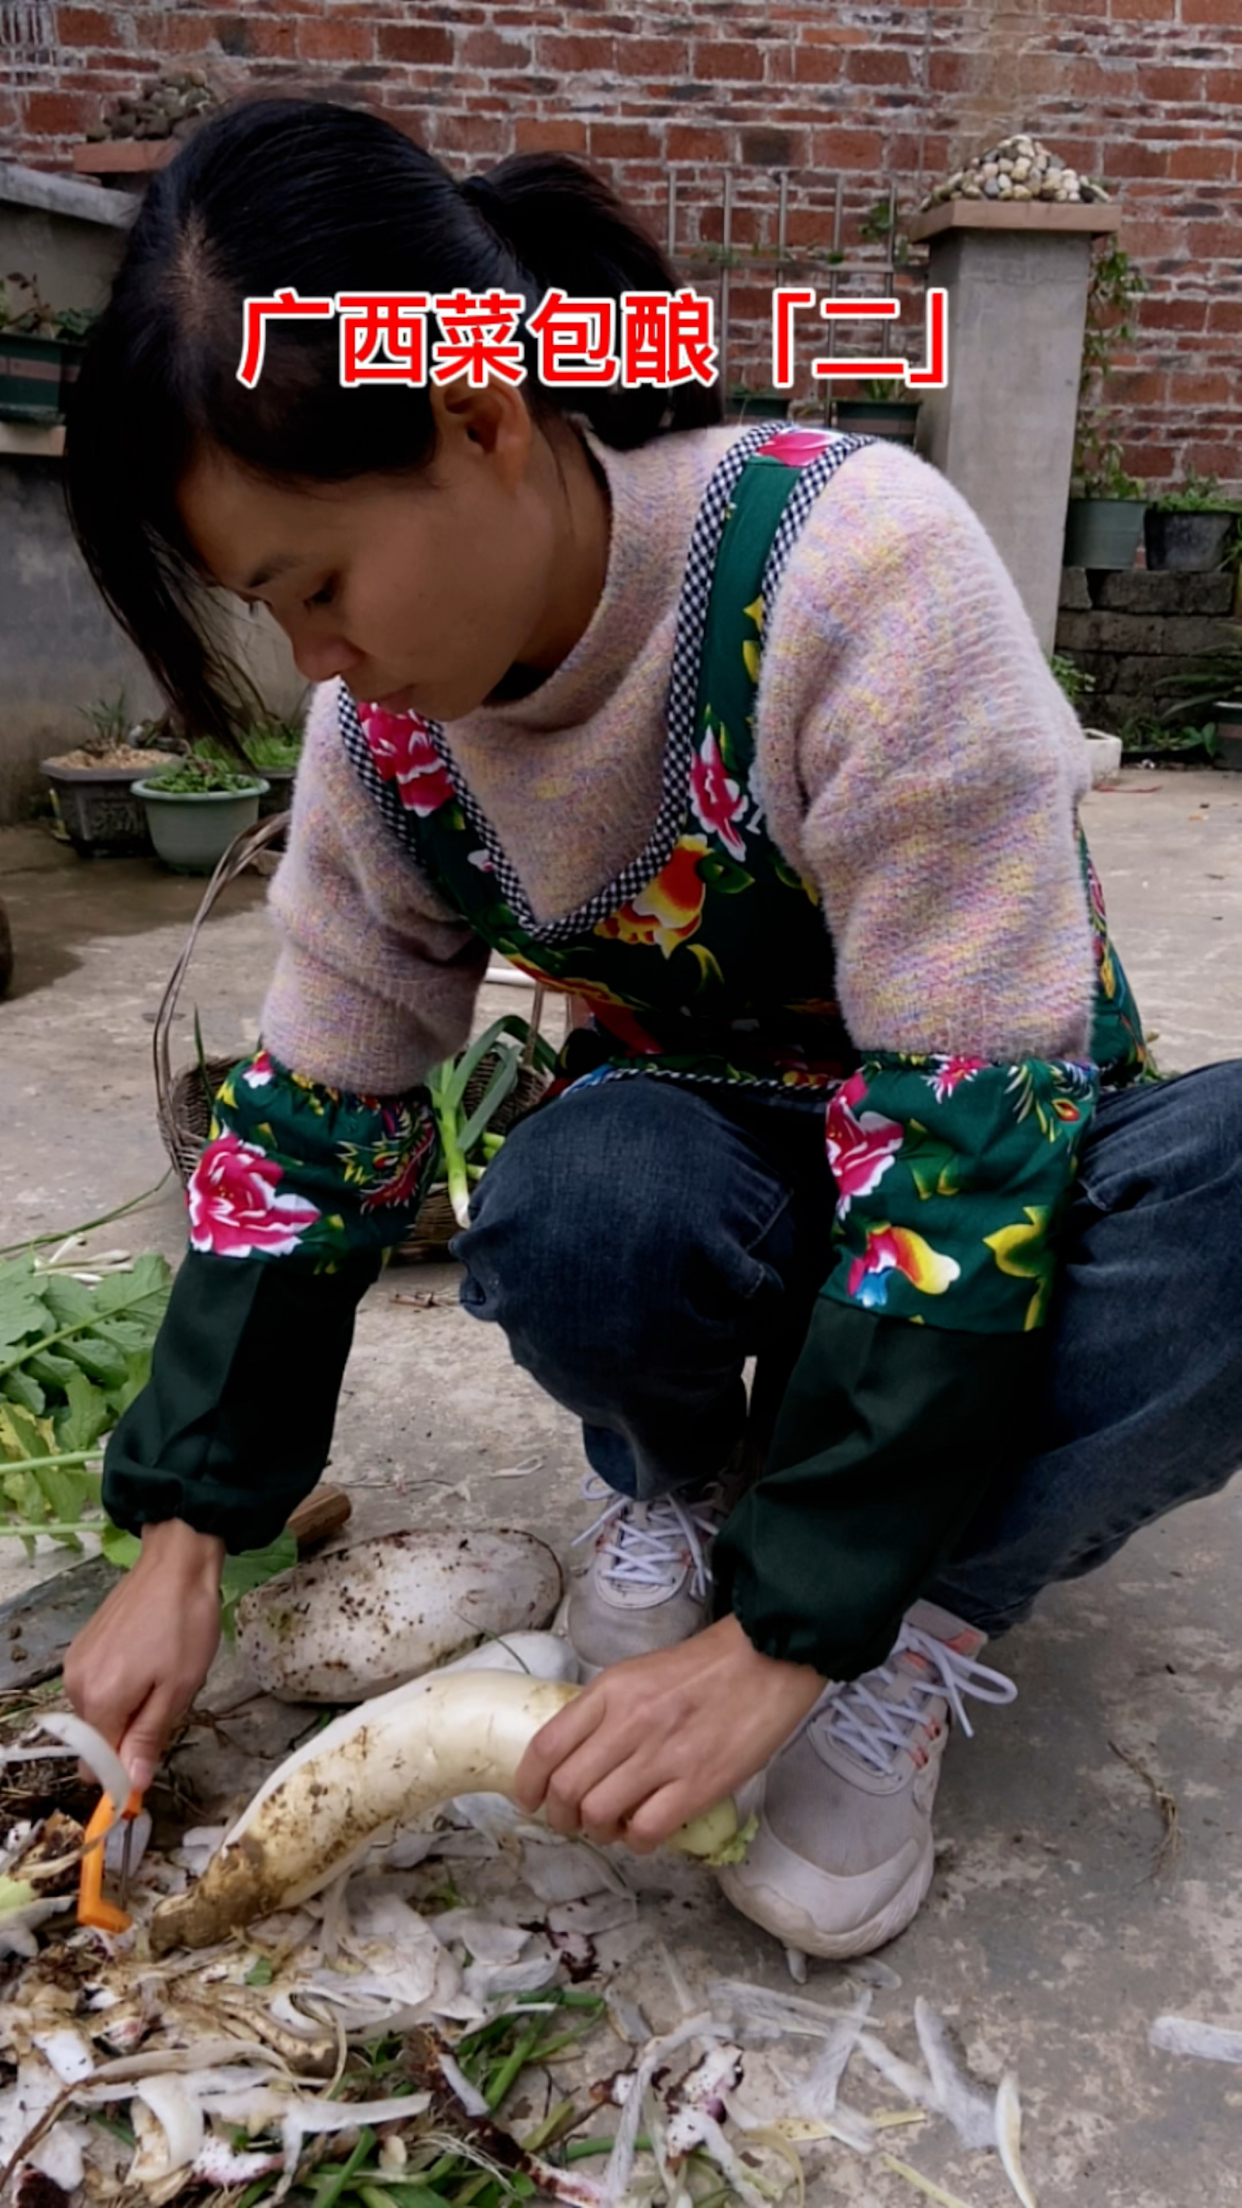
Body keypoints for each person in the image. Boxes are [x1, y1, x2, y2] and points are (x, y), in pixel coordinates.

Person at [60, 97, 1241, 1962]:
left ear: (479, 419)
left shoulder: (849, 575)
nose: (318, 661)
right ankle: (693, 1498)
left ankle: (915, 1619)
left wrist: (802, 1633)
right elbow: (313, 1116)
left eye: (316, 586)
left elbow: (967, 1135)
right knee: (575, 1194)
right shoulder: (391, 729)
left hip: (981, 1168)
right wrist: (182, 1541)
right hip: (726, 1174)